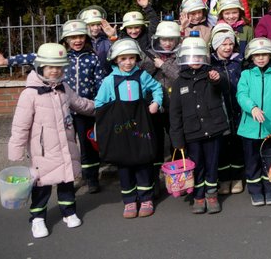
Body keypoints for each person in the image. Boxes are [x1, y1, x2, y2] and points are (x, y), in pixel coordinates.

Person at [0, 19, 105, 193]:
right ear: (65, 39)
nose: (77, 40)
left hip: (84, 109)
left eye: (81, 36)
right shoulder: (59, 55)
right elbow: (31, 57)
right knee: (65, 145)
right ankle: (71, 176)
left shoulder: (93, 57)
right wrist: (6, 61)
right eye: (72, 37)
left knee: (88, 147)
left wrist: (100, 103)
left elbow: (100, 81)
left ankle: (91, 178)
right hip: (61, 109)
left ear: (86, 38)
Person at [8, 43, 96, 239]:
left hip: (66, 146)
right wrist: (16, 148)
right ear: (40, 67)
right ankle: (38, 218)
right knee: (42, 185)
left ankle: (69, 212)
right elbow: (20, 125)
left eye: (59, 67)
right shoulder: (29, 94)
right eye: (50, 67)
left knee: (66, 181)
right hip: (43, 151)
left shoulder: (64, 88)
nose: (55, 71)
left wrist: (102, 106)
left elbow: (80, 104)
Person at [94, 39, 163, 218]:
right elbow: (99, 104)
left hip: (141, 124)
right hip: (120, 129)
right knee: (124, 163)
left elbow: (157, 88)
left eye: (131, 58)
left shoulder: (142, 76)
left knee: (143, 160)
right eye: (123, 58)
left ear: (137, 58)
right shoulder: (109, 81)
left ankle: (146, 198)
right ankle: (130, 200)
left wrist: (156, 102)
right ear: (115, 60)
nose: (128, 62)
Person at [170, 33, 229, 214]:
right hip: (192, 134)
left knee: (212, 164)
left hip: (213, 130)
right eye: (191, 56)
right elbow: (175, 114)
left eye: (199, 55)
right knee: (197, 166)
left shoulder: (212, 75)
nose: (195, 60)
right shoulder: (179, 83)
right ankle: (199, 195)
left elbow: (223, 86)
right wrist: (177, 140)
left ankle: (211, 194)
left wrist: (217, 79)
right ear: (184, 58)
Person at [237, 37, 271, 207]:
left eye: (264, 54)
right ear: (250, 57)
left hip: (270, 131)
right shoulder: (246, 75)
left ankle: (270, 189)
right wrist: (252, 108)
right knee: (252, 163)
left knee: (270, 162)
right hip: (249, 131)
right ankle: (255, 191)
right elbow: (241, 95)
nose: (260, 58)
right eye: (257, 55)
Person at [141, 18, 182, 170]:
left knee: (175, 136)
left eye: (171, 39)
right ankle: (155, 170)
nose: (168, 43)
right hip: (154, 103)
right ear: (158, 39)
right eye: (164, 39)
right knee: (155, 137)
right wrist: (153, 64)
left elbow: (180, 77)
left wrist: (163, 65)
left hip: (174, 104)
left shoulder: (180, 55)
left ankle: (177, 167)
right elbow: (142, 76)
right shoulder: (148, 54)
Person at [210, 23, 246, 195]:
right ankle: (224, 178)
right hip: (219, 111)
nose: (228, 47)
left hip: (238, 110)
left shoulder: (239, 61)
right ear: (216, 45)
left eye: (230, 44)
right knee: (222, 146)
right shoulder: (210, 63)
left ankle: (237, 177)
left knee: (237, 144)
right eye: (223, 44)